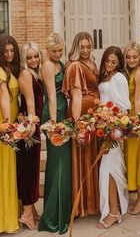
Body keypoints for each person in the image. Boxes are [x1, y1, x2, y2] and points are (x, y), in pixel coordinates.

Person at [62, 32, 100, 217]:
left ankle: (91, 201)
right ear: (76, 47)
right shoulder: (76, 66)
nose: (85, 50)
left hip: (93, 116)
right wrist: (77, 125)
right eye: (82, 47)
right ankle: (82, 205)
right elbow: (76, 97)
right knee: (81, 157)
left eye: (88, 46)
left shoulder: (92, 62)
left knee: (90, 157)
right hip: (82, 115)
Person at [38, 33, 72, 235]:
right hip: (55, 116)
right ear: (47, 50)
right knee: (57, 166)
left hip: (63, 113)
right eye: (54, 51)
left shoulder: (61, 62)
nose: (58, 53)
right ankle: (53, 218)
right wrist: (54, 124)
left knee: (63, 166)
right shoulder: (48, 66)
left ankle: (62, 211)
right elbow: (51, 95)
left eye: (60, 50)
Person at [97, 46, 131, 229]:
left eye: (114, 62)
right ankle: (112, 209)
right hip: (104, 128)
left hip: (115, 131)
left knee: (110, 171)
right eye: (107, 60)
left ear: (119, 63)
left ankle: (114, 212)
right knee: (106, 171)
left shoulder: (119, 77)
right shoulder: (104, 76)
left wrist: (117, 129)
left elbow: (125, 107)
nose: (109, 64)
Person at [17, 42, 44, 229]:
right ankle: (26, 213)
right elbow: (29, 101)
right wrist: (33, 124)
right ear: (24, 59)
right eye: (29, 57)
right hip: (28, 128)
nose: (33, 60)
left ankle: (31, 210)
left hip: (32, 125)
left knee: (32, 169)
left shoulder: (35, 73)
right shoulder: (26, 74)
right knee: (27, 170)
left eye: (36, 56)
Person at [123, 42, 140, 215]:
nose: (131, 59)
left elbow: (139, 100)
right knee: (133, 160)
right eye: (128, 56)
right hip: (128, 121)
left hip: (136, 121)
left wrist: (138, 125)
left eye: (134, 56)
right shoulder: (129, 72)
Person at [0, 35, 20, 233]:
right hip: (4, 127)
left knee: (7, 173)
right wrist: (7, 126)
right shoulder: (0, 72)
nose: (9, 54)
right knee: (3, 174)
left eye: (12, 50)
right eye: (5, 51)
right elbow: (4, 99)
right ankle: (3, 221)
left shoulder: (10, 70)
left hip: (11, 124)